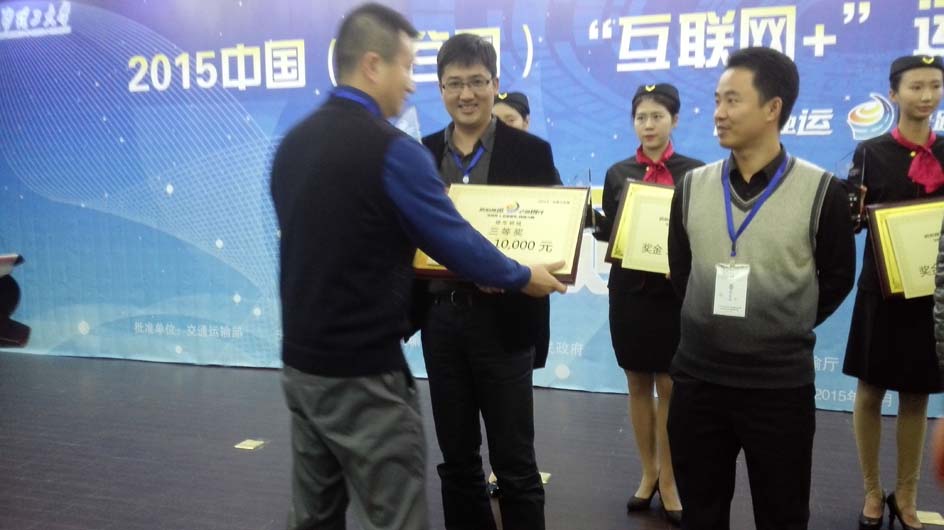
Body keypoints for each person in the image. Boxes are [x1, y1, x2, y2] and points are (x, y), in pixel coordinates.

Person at [269, 6, 565, 530]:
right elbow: (453, 240)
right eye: (407, 68)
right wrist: (521, 274)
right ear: (373, 65)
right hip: (372, 365)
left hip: (302, 366)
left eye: (477, 82)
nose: (410, 84)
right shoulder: (399, 151)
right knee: (401, 510)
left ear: (495, 84)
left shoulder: (293, 144)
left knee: (314, 514)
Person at [666, 47, 856, 530]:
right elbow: (681, 270)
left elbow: (838, 276)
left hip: (779, 388)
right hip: (698, 382)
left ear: (773, 108)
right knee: (701, 513)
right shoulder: (691, 187)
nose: (719, 112)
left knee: (782, 515)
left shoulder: (822, 191)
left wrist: (784, 321)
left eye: (733, 100)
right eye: (717, 99)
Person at [412, 33, 561, 530]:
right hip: (441, 320)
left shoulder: (531, 152)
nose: (466, 94)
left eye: (477, 81)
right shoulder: (421, 154)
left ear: (495, 84)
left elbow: (552, 228)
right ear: (440, 88)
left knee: (515, 463)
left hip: (506, 320)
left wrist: (511, 270)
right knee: (457, 461)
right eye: (454, 83)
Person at [596, 83, 703, 526]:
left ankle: (672, 480)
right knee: (638, 383)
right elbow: (610, 232)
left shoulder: (695, 173)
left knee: (672, 386)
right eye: (641, 117)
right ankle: (649, 472)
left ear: (674, 120)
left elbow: (701, 232)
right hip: (631, 293)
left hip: (675, 296)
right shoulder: (618, 172)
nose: (649, 125)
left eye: (657, 116)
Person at [845, 54, 944, 530]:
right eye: (915, 86)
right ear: (893, 93)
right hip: (880, 292)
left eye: (935, 86)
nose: (926, 96)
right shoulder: (870, 152)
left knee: (916, 395)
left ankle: (906, 494)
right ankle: (871, 489)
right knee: (869, 391)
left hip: (931, 293)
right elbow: (851, 221)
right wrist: (851, 211)